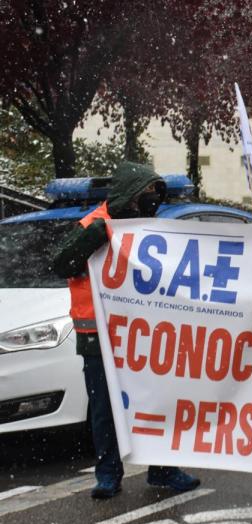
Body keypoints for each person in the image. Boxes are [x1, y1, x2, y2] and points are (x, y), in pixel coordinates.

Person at [52, 162, 201, 499]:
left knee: (155, 404)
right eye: (143, 195)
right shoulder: (92, 225)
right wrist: (96, 236)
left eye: (154, 195)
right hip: (98, 338)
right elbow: (62, 263)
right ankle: (108, 475)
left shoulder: (149, 229)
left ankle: (163, 470)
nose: (149, 202)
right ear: (127, 195)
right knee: (104, 410)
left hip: (142, 337)